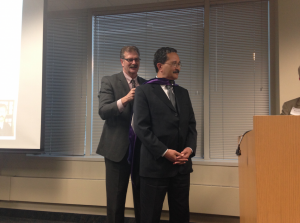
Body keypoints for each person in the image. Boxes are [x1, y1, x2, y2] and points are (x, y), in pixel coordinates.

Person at [133, 47, 197, 223]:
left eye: (179, 63)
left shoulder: (183, 93)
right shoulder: (144, 91)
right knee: (150, 217)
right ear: (160, 66)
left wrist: (190, 148)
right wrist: (164, 152)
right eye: (174, 63)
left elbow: (191, 125)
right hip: (155, 167)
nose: (178, 67)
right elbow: (141, 127)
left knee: (181, 216)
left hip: (181, 167)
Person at [96, 46, 146, 223]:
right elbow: (103, 111)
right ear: (122, 62)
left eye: (137, 59)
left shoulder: (146, 84)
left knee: (143, 201)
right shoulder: (109, 81)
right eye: (130, 59)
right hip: (117, 151)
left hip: (142, 152)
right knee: (116, 202)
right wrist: (125, 99)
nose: (134, 62)